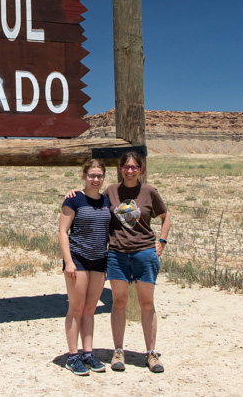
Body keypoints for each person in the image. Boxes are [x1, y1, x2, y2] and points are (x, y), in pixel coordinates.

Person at [105, 151, 171, 373]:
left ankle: (151, 353)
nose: (130, 171)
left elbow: (165, 216)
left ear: (141, 170)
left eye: (134, 167)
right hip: (117, 253)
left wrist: (161, 241)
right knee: (119, 302)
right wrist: (73, 194)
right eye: (126, 167)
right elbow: (92, 202)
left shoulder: (149, 192)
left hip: (144, 253)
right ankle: (118, 351)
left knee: (147, 304)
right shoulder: (111, 191)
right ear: (120, 169)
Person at [58, 159, 111, 375]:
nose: (96, 179)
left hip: (100, 259)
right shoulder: (73, 200)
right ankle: (72, 356)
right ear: (84, 176)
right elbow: (62, 232)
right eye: (92, 175)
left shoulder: (107, 201)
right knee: (76, 308)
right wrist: (69, 261)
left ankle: (87, 353)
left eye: (99, 176)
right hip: (78, 258)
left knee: (90, 309)